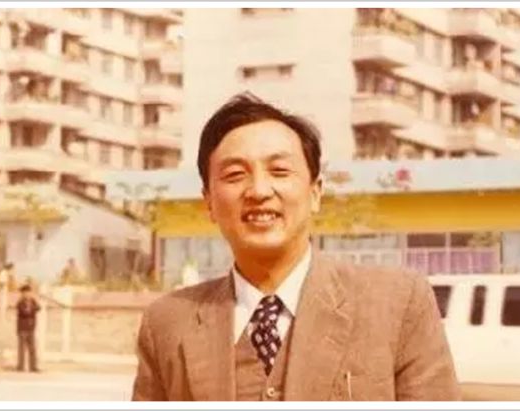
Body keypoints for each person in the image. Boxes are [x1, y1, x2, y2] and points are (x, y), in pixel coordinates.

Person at [132, 93, 461, 401]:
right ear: (209, 202)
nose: (259, 190)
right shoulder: (167, 323)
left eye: (279, 171)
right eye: (235, 175)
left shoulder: (398, 303)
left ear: (315, 192)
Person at [16, 284, 41, 372]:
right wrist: (31, 309)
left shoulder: (33, 301)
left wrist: (31, 307)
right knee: (22, 349)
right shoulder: (20, 303)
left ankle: (33, 367)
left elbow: (38, 308)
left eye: (29, 292)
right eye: (25, 293)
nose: (27, 294)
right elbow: (24, 312)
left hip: (31, 328)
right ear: (22, 293)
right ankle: (20, 367)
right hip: (22, 328)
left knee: (32, 348)